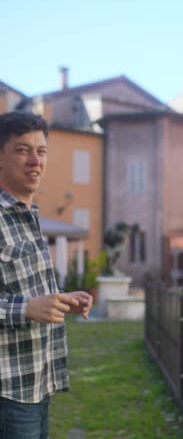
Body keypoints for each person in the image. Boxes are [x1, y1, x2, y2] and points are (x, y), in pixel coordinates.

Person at [0, 111, 93, 439]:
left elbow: (30, 292)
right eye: (22, 150)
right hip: (7, 393)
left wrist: (63, 301)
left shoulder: (30, 217)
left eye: (41, 151)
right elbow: (27, 303)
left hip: (38, 381)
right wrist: (26, 308)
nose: (34, 161)